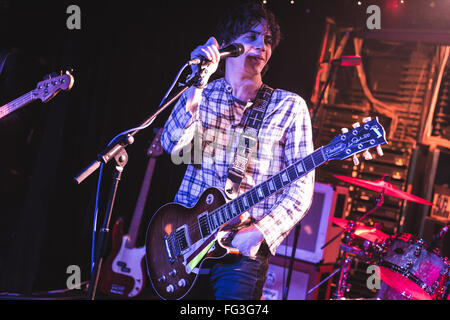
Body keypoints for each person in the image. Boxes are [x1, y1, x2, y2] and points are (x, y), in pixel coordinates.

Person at [161, 1, 314, 300]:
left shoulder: (289, 106)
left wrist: (259, 234)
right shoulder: (204, 94)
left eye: (268, 40)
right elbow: (173, 145)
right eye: (252, 37)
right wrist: (198, 83)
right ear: (227, 44)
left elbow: (301, 189)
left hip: (241, 252)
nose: (262, 46)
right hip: (185, 240)